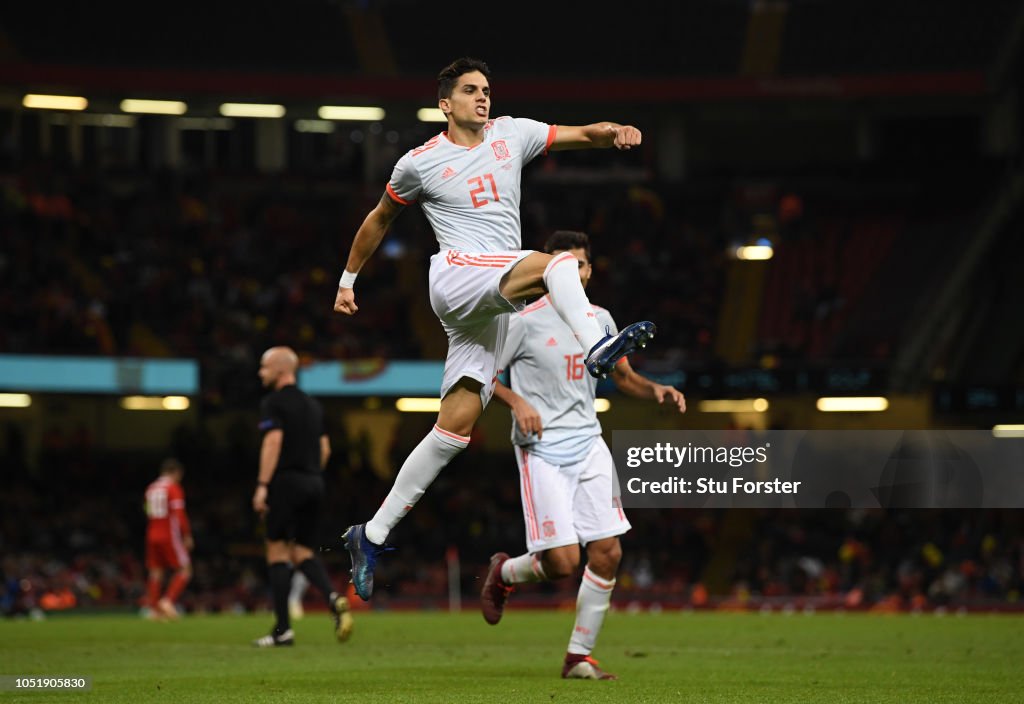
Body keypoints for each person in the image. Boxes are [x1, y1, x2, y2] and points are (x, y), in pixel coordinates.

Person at [334, 57, 656, 600]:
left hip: (494, 304)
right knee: (556, 264)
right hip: (458, 276)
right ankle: (598, 346)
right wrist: (347, 280)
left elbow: (579, 133)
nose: (483, 98)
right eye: (470, 90)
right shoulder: (419, 162)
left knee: (452, 431)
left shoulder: (512, 134)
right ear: (446, 104)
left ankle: (371, 532)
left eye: (486, 90)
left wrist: (612, 133)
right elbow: (379, 219)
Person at [481, 231, 686, 680]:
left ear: (589, 271)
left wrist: (656, 390)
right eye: (562, 265)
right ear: (547, 271)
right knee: (562, 563)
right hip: (542, 450)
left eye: (579, 266)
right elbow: (479, 375)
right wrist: (517, 402)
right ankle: (506, 573)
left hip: (589, 443)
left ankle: (578, 657)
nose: (572, 273)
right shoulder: (521, 320)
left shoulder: (602, 319)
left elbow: (624, 376)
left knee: (608, 553)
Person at [252, 346, 353, 647]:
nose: (260, 373)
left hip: (286, 481)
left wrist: (262, 485)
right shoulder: (313, 406)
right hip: (314, 483)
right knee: (304, 553)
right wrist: (311, 475)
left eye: (264, 367)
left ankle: (283, 629)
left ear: (281, 370)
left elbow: (273, 441)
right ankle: (333, 598)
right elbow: (325, 450)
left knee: (278, 552)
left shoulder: (273, 403)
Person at [144, 458, 193, 620]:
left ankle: (153, 609)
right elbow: (179, 514)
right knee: (185, 569)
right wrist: (186, 535)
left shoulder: (150, 489)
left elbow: (148, 511)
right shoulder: (173, 488)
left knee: (155, 572)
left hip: (152, 533)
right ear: (176, 473)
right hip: (168, 534)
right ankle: (168, 601)